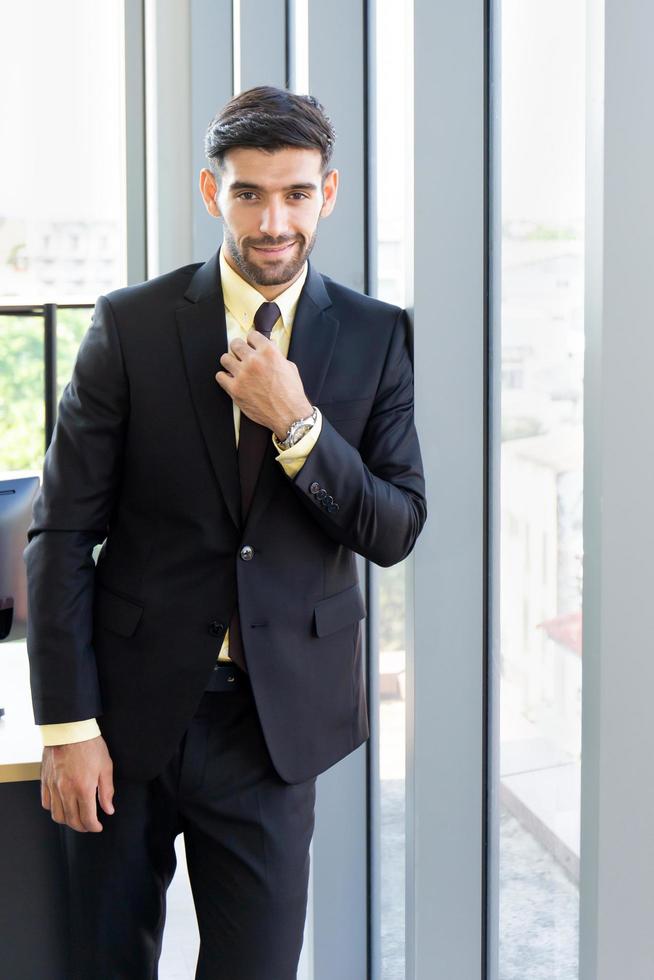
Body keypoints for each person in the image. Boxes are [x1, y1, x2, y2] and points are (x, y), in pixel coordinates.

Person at [23, 85, 427, 979]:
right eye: (249, 193)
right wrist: (67, 725)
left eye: (294, 193)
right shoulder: (129, 326)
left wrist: (299, 429)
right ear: (214, 193)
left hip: (272, 730)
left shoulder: (374, 337)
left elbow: (396, 527)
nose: (272, 219)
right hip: (124, 718)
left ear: (329, 193)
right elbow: (60, 533)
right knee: (103, 964)